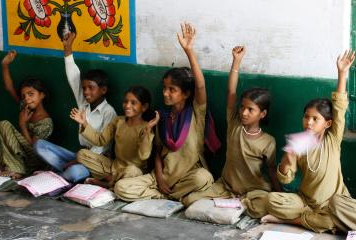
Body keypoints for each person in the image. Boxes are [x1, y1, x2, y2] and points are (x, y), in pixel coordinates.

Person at [113, 23, 215, 202]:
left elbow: (200, 85)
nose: (165, 93)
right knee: (121, 188)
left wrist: (189, 50)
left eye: (172, 89)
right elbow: (158, 153)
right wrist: (159, 178)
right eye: (164, 88)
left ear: (186, 93)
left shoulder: (196, 114)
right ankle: (168, 196)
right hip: (161, 178)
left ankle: (170, 195)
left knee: (204, 177)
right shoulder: (162, 117)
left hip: (187, 177)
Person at [261, 50, 356, 233]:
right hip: (305, 202)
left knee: (335, 208)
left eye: (315, 119)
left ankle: (291, 220)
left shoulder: (332, 138)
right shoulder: (298, 143)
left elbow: (340, 107)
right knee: (271, 200)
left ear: (328, 123)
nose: (308, 122)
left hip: (334, 204)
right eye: (306, 117)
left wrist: (342, 73)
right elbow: (286, 179)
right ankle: (313, 219)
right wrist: (287, 162)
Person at [182, 46, 279, 219]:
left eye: (251, 110)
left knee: (265, 204)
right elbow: (231, 92)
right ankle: (235, 202)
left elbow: (271, 171)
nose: (244, 112)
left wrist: (280, 194)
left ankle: (242, 201)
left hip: (254, 191)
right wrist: (236, 61)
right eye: (242, 107)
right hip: (225, 187)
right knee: (189, 200)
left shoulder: (268, 141)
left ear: (262, 114)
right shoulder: (234, 124)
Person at [34, 32, 116, 183]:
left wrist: (78, 161)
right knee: (40, 146)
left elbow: (103, 146)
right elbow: (73, 76)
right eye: (84, 88)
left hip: (95, 161)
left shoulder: (109, 112)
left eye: (91, 88)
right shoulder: (83, 103)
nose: (86, 92)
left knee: (74, 173)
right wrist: (67, 48)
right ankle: (62, 171)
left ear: (103, 90)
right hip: (78, 154)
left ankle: (61, 174)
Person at [70, 86, 159, 188]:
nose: (127, 106)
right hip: (114, 167)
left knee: (133, 171)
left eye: (133, 103)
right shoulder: (118, 121)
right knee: (82, 154)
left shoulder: (146, 128)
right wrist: (84, 122)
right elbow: (100, 140)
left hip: (132, 172)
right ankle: (112, 182)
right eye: (125, 102)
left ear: (144, 107)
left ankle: (108, 183)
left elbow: (144, 155)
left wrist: (148, 131)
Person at [0, 50, 53, 179]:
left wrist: (22, 124)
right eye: (24, 96)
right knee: (3, 126)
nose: (27, 99)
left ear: (42, 95)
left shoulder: (46, 121)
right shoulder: (25, 107)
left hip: (35, 159)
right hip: (21, 153)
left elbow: (35, 148)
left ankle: (18, 168)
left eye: (31, 94)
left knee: (4, 125)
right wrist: (5, 65)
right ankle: (15, 166)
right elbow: (9, 88)